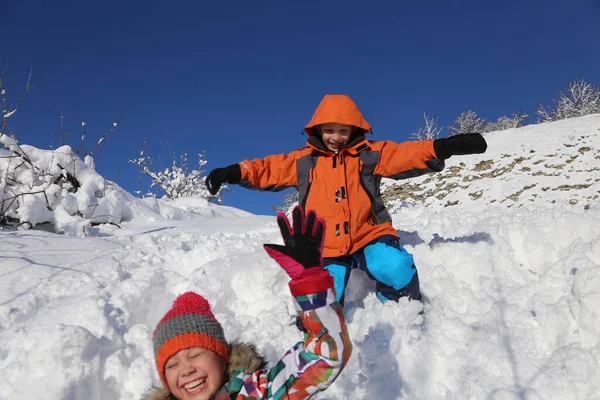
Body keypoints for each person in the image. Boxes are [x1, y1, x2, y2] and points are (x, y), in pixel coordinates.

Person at [206, 94, 487, 305]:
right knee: (323, 293)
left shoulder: (369, 154)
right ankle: (320, 337)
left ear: (354, 130)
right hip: (325, 244)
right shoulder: (303, 161)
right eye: (329, 130)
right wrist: (233, 172)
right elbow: (268, 168)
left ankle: (402, 311)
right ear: (317, 130)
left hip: (369, 234)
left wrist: (442, 147)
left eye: (343, 130)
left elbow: (403, 155)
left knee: (395, 267)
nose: (336, 137)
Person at [145, 206, 352, 400]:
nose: (186, 369)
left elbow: (324, 358)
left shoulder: (258, 393)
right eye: (171, 365)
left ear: (222, 357)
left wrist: (310, 283)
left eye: (196, 354)